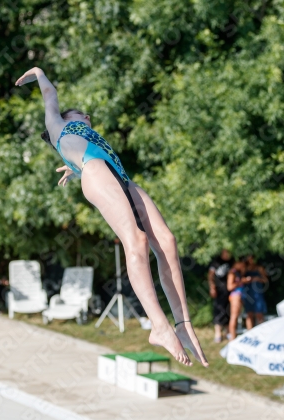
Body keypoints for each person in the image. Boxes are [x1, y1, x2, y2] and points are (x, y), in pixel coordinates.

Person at [15, 67, 208, 367]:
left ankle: (182, 324)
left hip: (120, 177)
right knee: (137, 241)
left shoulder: (88, 137)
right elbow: (50, 96)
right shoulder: (58, 126)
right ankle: (158, 326)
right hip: (95, 170)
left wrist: (72, 164)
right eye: (83, 115)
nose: (88, 119)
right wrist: (39, 74)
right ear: (68, 118)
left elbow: (82, 151)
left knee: (167, 241)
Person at [208, 249, 234, 343]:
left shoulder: (232, 261)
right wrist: (212, 287)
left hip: (230, 290)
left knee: (229, 310)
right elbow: (210, 275)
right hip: (219, 290)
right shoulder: (216, 261)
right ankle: (218, 333)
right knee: (218, 310)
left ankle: (227, 332)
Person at [227, 260, 251, 341]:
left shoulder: (238, 272)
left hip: (241, 296)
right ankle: (232, 338)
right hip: (235, 296)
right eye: (241, 264)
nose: (242, 266)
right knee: (234, 317)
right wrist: (242, 281)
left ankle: (235, 337)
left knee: (241, 316)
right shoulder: (232, 273)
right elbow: (229, 287)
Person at [243, 255, 268, 329]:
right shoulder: (245, 268)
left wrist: (257, 279)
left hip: (258, 294)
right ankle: (250, 334)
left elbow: (265, 280)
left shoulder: (259, 268)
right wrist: (247, 279)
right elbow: (240, 279)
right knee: (249, 314)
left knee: (259, 314)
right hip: (248, 294)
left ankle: (262, 333)